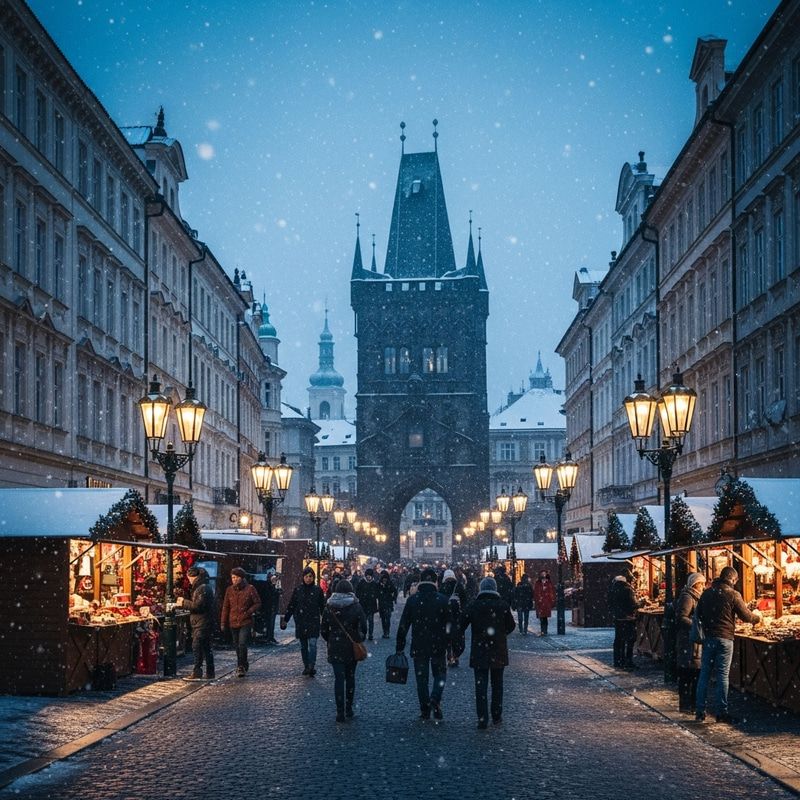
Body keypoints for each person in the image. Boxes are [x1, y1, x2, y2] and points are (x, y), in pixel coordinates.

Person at [695, 566, 761, 723]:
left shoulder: (706, 593)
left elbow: (699, 614)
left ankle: (699, 711)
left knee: (704, 675)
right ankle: (721, 712)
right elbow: (746, 616)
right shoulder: (732, 594)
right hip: (725, 638)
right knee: (722, 676)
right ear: (732, 579)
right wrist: (757, 618)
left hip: (709, 638)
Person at [458, 576, 516, 729]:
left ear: (481, 589)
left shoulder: (473, 606)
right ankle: (496, 715)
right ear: (495, 589)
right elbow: (511, 626)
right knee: (497, 685)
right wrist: (500, 634)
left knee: (481, 686)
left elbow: (460, 625)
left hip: (479, 650)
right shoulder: (502, 605)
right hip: (498, 650)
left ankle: (482, 718)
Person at [395, 567, 451, 721]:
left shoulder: (413, 600)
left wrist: (400, 645)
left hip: (419, 643)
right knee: (440, 674)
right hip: (438, 645)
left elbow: (404, 625)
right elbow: (451, 626)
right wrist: (452, 646)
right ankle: (435, 697)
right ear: (435, 581)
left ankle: (425, 709)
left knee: (422, 679)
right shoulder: (443, 600)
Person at [320, 579, 367, 722]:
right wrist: (357, 638)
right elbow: (364, 627)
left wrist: (331, 639)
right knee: (350, 677)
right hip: (351, 645)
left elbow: (323, 629)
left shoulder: (329, 606)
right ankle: (349, 707)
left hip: (335, 645)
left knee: (339, 679)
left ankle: (340, 711)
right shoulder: (356, 605)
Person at [281, 566, 326, 677]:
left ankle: (311, 665)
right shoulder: (298, 590)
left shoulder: (317, 590)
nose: (308, 579)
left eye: (310, 576)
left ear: (313, 577)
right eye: (306, 576)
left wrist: (325, 619)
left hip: (313, 620)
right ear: (303, 577)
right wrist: (286, 618)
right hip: (301, 621)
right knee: (303, 646)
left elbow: (322, 607)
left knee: (313, 644)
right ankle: (306, 665)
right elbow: (292, 605)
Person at [220, 567, 261, 678]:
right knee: (237, 645)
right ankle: (243, 662)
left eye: (236, 577)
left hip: (245, 621)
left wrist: (249, 612)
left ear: (241, 578)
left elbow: (257, 603)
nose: (234, 579)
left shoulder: (250, 589)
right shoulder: (229, 590)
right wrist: (223, 622)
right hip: (233, 621)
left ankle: (240, 666)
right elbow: (225, 606)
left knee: (242, 643)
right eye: (232, 577)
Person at [177, 566, 215, 680]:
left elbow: (197, 606)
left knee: (197, 646)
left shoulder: (201, 588)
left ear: (195, 576)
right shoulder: (204, 586)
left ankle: (198, 671)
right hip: (204, 621)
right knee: (206, 647)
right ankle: (209, 672)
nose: (189, 580)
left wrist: (183, 602)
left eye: (190, 577)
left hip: (201, 622)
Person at [675, 572, 706, 713]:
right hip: (688, 641)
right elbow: (681, 617)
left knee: (693, 673)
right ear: (695, 584)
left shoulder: (695, 597)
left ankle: (691, 704)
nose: (703, 587)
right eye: (701, 584)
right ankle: (687, 704)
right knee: (689, 673)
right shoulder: (688, 597)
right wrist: (696, 625)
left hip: (693, 640)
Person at [607, 570, 644, 669]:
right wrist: (642, 602)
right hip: (628, 619)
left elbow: (609, 602)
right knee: (630, 640)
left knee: (619, 640)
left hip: (618, 618)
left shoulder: (613, 587)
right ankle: (628, 661)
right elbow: (633, 604)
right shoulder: (627, 589)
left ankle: (618, 661)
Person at [440, 569, 466, 666]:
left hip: (446, 617)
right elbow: (464, 601)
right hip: (457, 616)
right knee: (458, 637)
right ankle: (456, 656)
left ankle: (449, 655)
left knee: (447, 637)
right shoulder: (459, 587)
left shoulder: (442, 587)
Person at [355, 567, 380, 641]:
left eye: (370, 576)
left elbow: (376, 593)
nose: (369, 577)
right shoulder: (361, 583)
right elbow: (357, 593)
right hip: (363, 605)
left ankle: (370, 634)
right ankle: (364, 634)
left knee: (370, 621)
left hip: (371, 605)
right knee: (363, 621)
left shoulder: (374, 583)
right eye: (367, 575)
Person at [533, 570, 556, 635]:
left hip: (546, 603)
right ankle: (543, 629)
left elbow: (550, 592)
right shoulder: (538, 583)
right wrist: (538, 599)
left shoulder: (548, 583)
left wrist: (550, 599)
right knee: (541, 617)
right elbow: (536, 592)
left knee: (545, 617)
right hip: (541, 603)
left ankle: (545, 630)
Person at [377, 570, 398, 638]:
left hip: (387, 603)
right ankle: (385, 631)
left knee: (387, 618)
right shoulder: (379, 584)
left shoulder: (390, 584)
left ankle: (387, 632)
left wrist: (393, 598)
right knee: (384, 618)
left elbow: (395, 591)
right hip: (383, 604)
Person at [264, 572, 281, 645]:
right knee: (270, 623)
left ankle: (270, 637)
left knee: (271, 623)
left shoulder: (272, 585)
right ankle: (269, 637)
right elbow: (270, 595)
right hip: (269, 607)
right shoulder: (268, 585)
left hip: (272, 607)